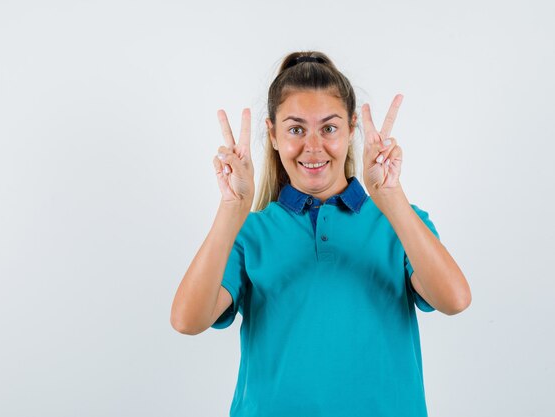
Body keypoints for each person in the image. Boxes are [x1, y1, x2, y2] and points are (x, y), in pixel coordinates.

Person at [170, 51, 471, 417]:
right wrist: (231, 209)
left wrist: (391, 198)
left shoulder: (401, 220)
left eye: (328, 128)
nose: (313, 147)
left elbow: (455, 300)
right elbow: (187, 320)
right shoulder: (249, 233)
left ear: (350, 129)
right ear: (274, 135)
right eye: (296, 129)